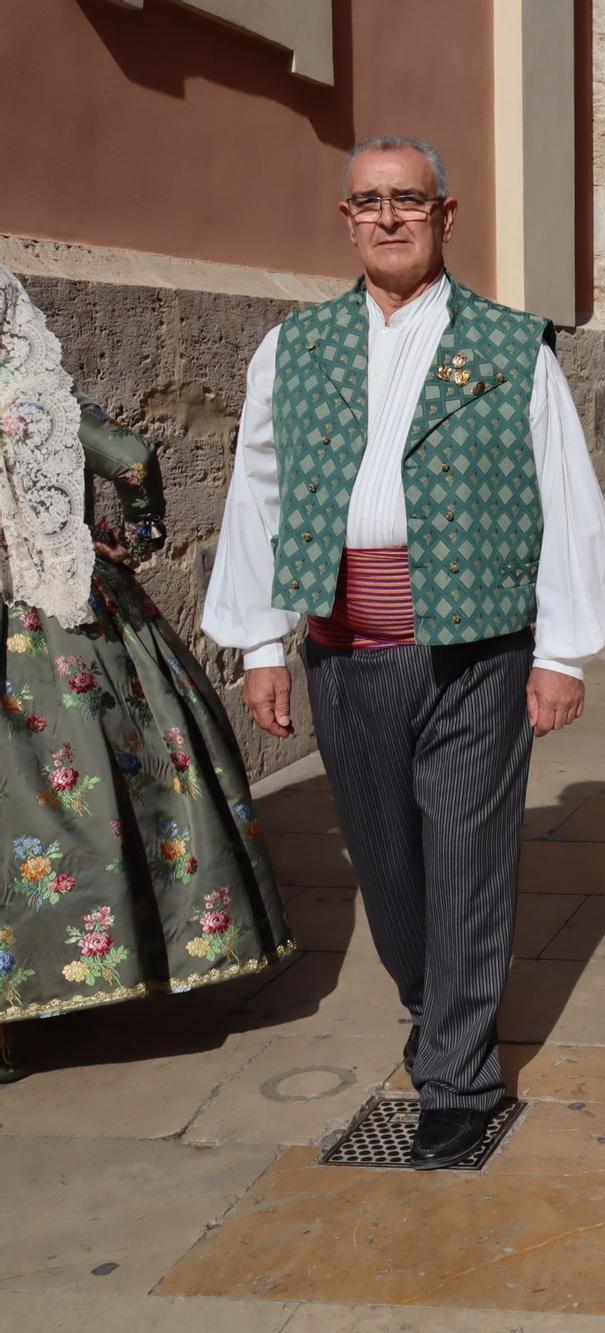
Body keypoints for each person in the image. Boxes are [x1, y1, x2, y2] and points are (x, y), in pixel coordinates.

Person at [203, 135, 605, 1167]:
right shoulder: (289, 350)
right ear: (345, 219)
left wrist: (562, 652)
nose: (389, 217)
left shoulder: (510, 343)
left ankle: (459, 1076)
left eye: (410, 200)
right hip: (341, 649)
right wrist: (261, 640)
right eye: (369, 202)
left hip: (476, 649)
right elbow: (256, 494)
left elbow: (562, 489)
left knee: (468, 859)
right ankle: (436, 1010)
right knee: (388, 865)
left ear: (447, 214)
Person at [0, 266, 292, 1081]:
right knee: (90, 784)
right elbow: (129, 456)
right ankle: (79, 967)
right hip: (45, 616)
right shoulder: (30, 392)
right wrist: (138, 534)